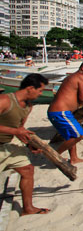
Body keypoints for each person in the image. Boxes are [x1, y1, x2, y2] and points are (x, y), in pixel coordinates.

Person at [0, 74, 50, 215]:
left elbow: (20, 129)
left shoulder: (28, 107)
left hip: (9, 145)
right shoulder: (5, 101)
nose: (41, 94)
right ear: (30, 88)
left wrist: (30, 144)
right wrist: (15, 131)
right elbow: (16, 130)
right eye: (40, 90)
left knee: (28, 170)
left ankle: (27, 208)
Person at [47, 60, 83, 164]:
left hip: (60, 113)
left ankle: (73, 158)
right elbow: (82, 98)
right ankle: (54, 155)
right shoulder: (81, 77)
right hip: (60, 112)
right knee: (79, 135)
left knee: (71, 135)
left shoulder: (72, 77)